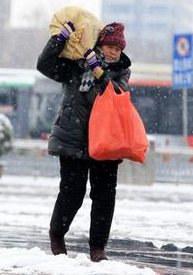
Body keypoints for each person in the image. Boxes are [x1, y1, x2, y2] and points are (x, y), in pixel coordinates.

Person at [36, 22, 131, 262]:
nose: (113, 52)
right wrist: (60, 39)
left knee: (104, 197)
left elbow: (116, 92)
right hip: (73, 136)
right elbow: (44, 65)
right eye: (109, 46)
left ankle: (98, 248)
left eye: (117, 49)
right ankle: (57, 235)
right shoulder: (76, 64)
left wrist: (99, 71)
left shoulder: (121, 70)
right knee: (72, 193)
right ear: (99, 44)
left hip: (107, 141)